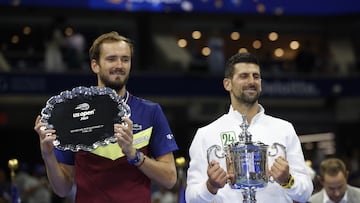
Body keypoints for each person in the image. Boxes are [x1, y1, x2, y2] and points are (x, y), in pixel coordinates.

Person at [34, 31, 179, 203]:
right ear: (95, 65)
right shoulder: (71, 115)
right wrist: (48, 155)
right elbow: (63, 189)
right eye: (111, 59)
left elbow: (170, 179)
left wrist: (133, 154)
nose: (119, 65)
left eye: (125, 59)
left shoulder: (151, 111)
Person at [185, 52, 313, 203]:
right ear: (228, 84)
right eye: (244, 76)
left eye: (256, 76)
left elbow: (306, 193)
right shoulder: (206, 134)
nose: (251, 81)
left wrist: (288, 180)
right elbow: (191, 198)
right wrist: (210, 186)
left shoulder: (284, 129)